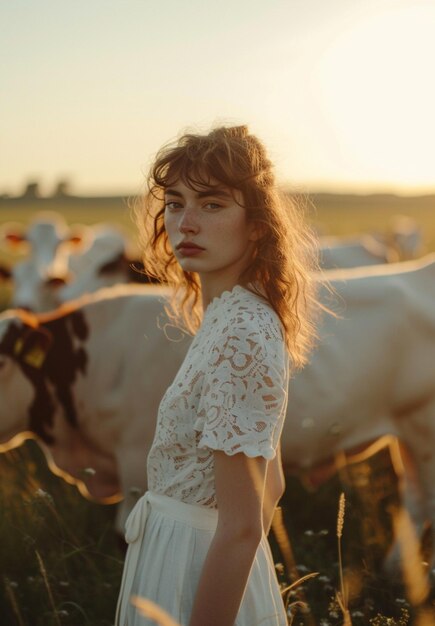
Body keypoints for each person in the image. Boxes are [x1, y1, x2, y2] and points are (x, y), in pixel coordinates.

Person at [115, 125, 320, 626]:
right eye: (176, 203)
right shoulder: (228, 315)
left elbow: (245, 525)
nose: (185, 223)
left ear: (257, 225)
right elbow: (271, 484)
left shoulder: (242, 332)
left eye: (211, 205)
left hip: (195, 569)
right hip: (186, 557)